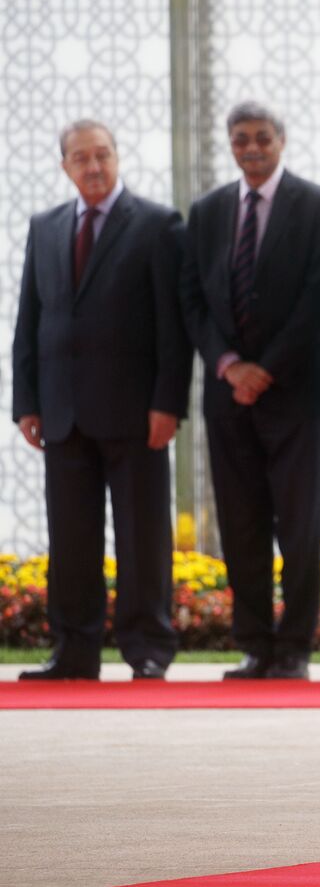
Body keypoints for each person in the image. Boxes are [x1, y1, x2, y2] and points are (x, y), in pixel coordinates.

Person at [12, 120, 191, 681]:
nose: (94, 166)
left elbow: (174, 327)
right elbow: (30, 319)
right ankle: (75, 651)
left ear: (117, 157)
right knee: (71, 539)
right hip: (62, 413)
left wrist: (169, 403)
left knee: (143, 536)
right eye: (81, 158)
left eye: (103, 155)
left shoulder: (159, 225)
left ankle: (147, 648)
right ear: (65, 165)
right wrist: (26, 402)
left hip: (137, 414)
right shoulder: (45, 228)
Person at [180, 101, 320, 680]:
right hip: (227, 397)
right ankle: (253, 645)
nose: (251, 147)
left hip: (292, 392)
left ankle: (293, 647)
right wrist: (229, 367)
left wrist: (263, 369)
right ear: (230, 144)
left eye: (262, 138)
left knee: (298, 527)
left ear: (281, 139)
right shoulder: (207, 211)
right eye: (240, 139)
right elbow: (191, 299)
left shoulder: (317, 205)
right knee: (240, 525)